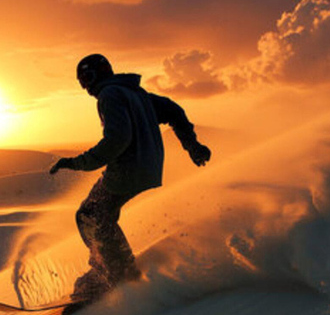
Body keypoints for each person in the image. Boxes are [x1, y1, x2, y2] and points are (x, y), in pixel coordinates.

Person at [49, 53, 211, 301]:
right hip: (148, 166)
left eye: (88, 78)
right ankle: (117, 267)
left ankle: (115, 274)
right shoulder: (136, 93)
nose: (86, 87)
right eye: (81, 82)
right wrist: (192, 145)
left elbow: (117, 139)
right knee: (101, 214)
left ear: (102, 73)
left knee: (89, 214)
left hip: (127, 169)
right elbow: (173, 110)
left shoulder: (110, 95)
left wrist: (76, 162)